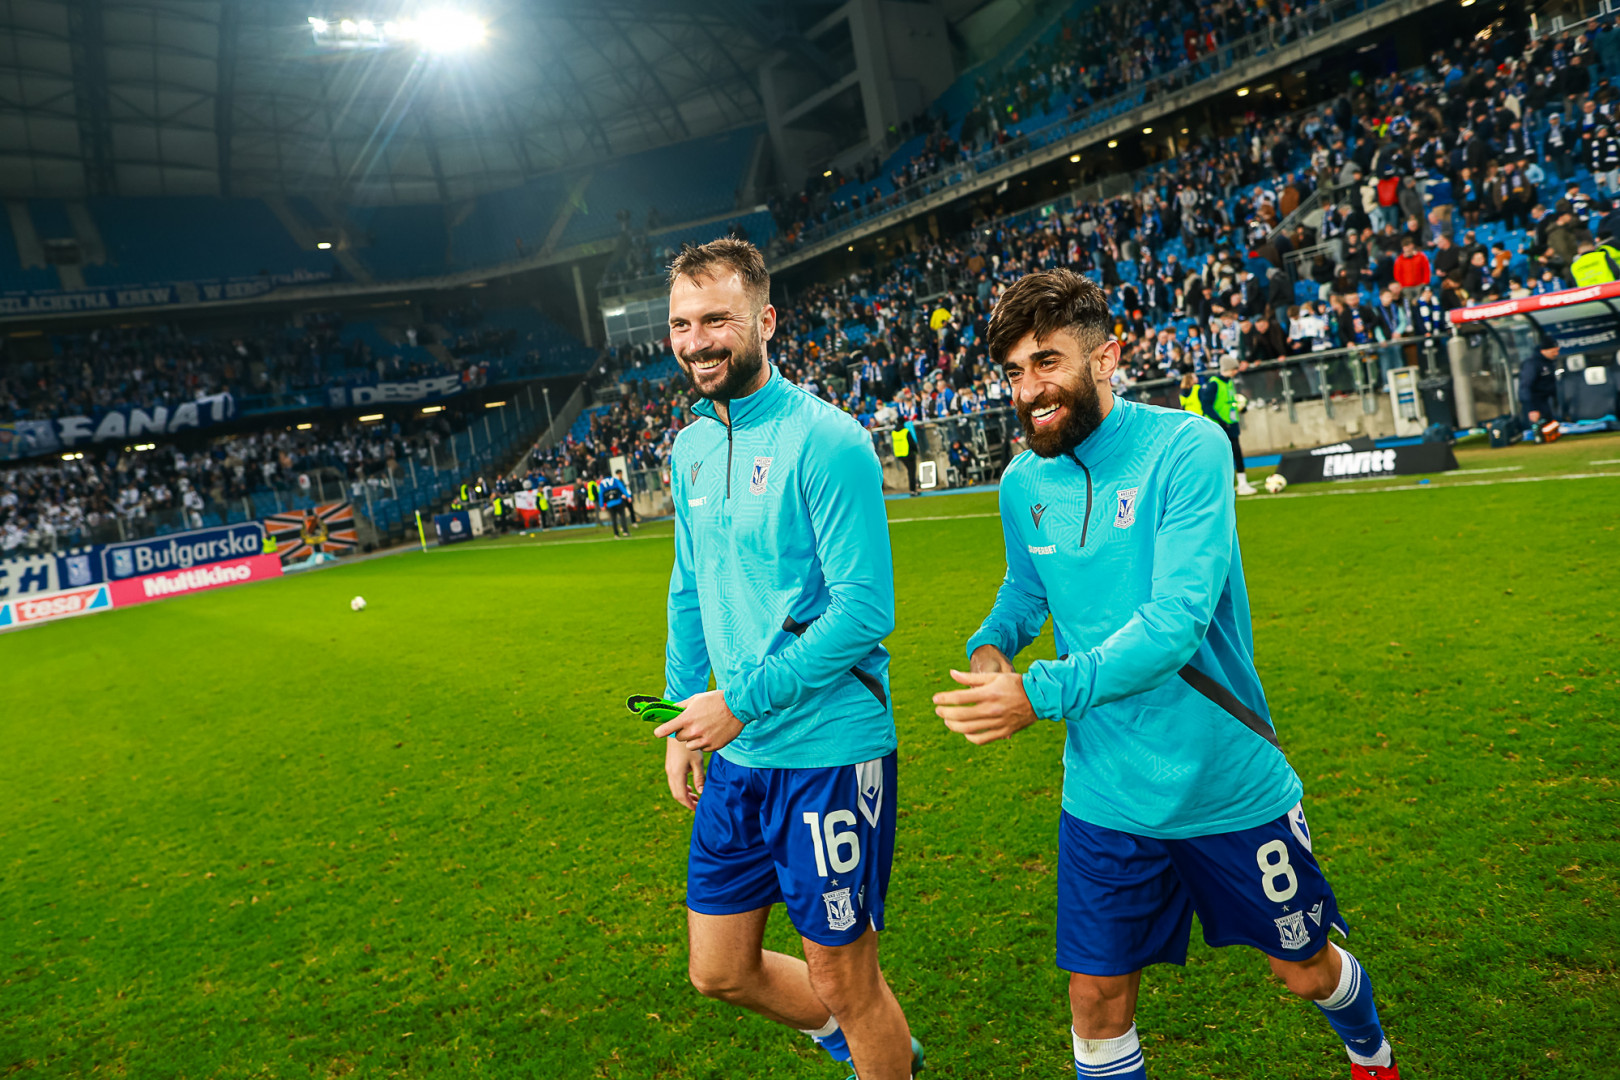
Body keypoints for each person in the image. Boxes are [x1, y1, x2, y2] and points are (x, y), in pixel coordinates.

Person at [933, 268, 1404, 1080]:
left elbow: (1175, 624)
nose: (1028, 390)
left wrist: (1037, 692)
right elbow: (1026, 588)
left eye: (1046, 362)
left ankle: (1371, 1051)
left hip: (1222, 778)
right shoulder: (1022, 482)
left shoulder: (1187, 448)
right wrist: (991, 645)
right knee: (1095, 1004)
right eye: (1013, 372)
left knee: (1302, 970)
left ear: (1106, 357)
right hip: (1105, 793)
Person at [652, 238, 923, 1080]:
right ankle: (878, 1049)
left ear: (766, 320)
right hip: (740, 754)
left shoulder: (826, 440)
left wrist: (740, 702)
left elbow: (864, 611)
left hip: (827, 749)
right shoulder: (690, 447)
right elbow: (689, 587)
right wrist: (680, 717)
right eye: (681, 324)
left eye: (717, 320)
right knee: (718, 970)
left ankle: (877, 1050)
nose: (697, 341)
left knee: (845, 977)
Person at [1201, 354, 1257, 495]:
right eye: (1235, 369)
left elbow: (1231, 401)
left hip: (1231, 424)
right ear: (1229, 368)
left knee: (1237, 453)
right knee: (1218, 456)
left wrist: (1241, 408)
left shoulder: (1229, 382)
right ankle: (1218, 486)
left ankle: (1242, 483)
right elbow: (1206, 406)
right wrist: (1220, 421)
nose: (1236, 371)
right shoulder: (1213, 384)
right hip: (1219, 427)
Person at [1519, 339, 1562, 438]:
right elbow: (1525, 386)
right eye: (1553, 351)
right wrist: (1532, 409)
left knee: (1549, 431)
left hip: (1546, 402)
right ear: (1544, 351)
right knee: (1537, 432)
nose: (1556, 354)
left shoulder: (1549, 362)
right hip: (1534, 403)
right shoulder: (1531, 364)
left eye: (1557, 351)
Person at [891, 416, 921, 496]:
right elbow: (912, 443)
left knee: (909, 471)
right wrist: (916, 451)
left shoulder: (893, 432)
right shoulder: (905, 431)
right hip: (908, 453)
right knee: (912, 472)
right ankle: (913, 490)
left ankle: (913, 488)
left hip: (900, 455)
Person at [601, 469, 632, 538]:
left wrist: (601, 505)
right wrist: (628, 496)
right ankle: (625, 532)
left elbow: (601, 494)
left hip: (609, 504)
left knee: (613, 519)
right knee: (622, 517)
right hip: (618, 501)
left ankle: (616, 534)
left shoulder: (602, 483)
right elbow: (622, 488)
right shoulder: (615, 480)